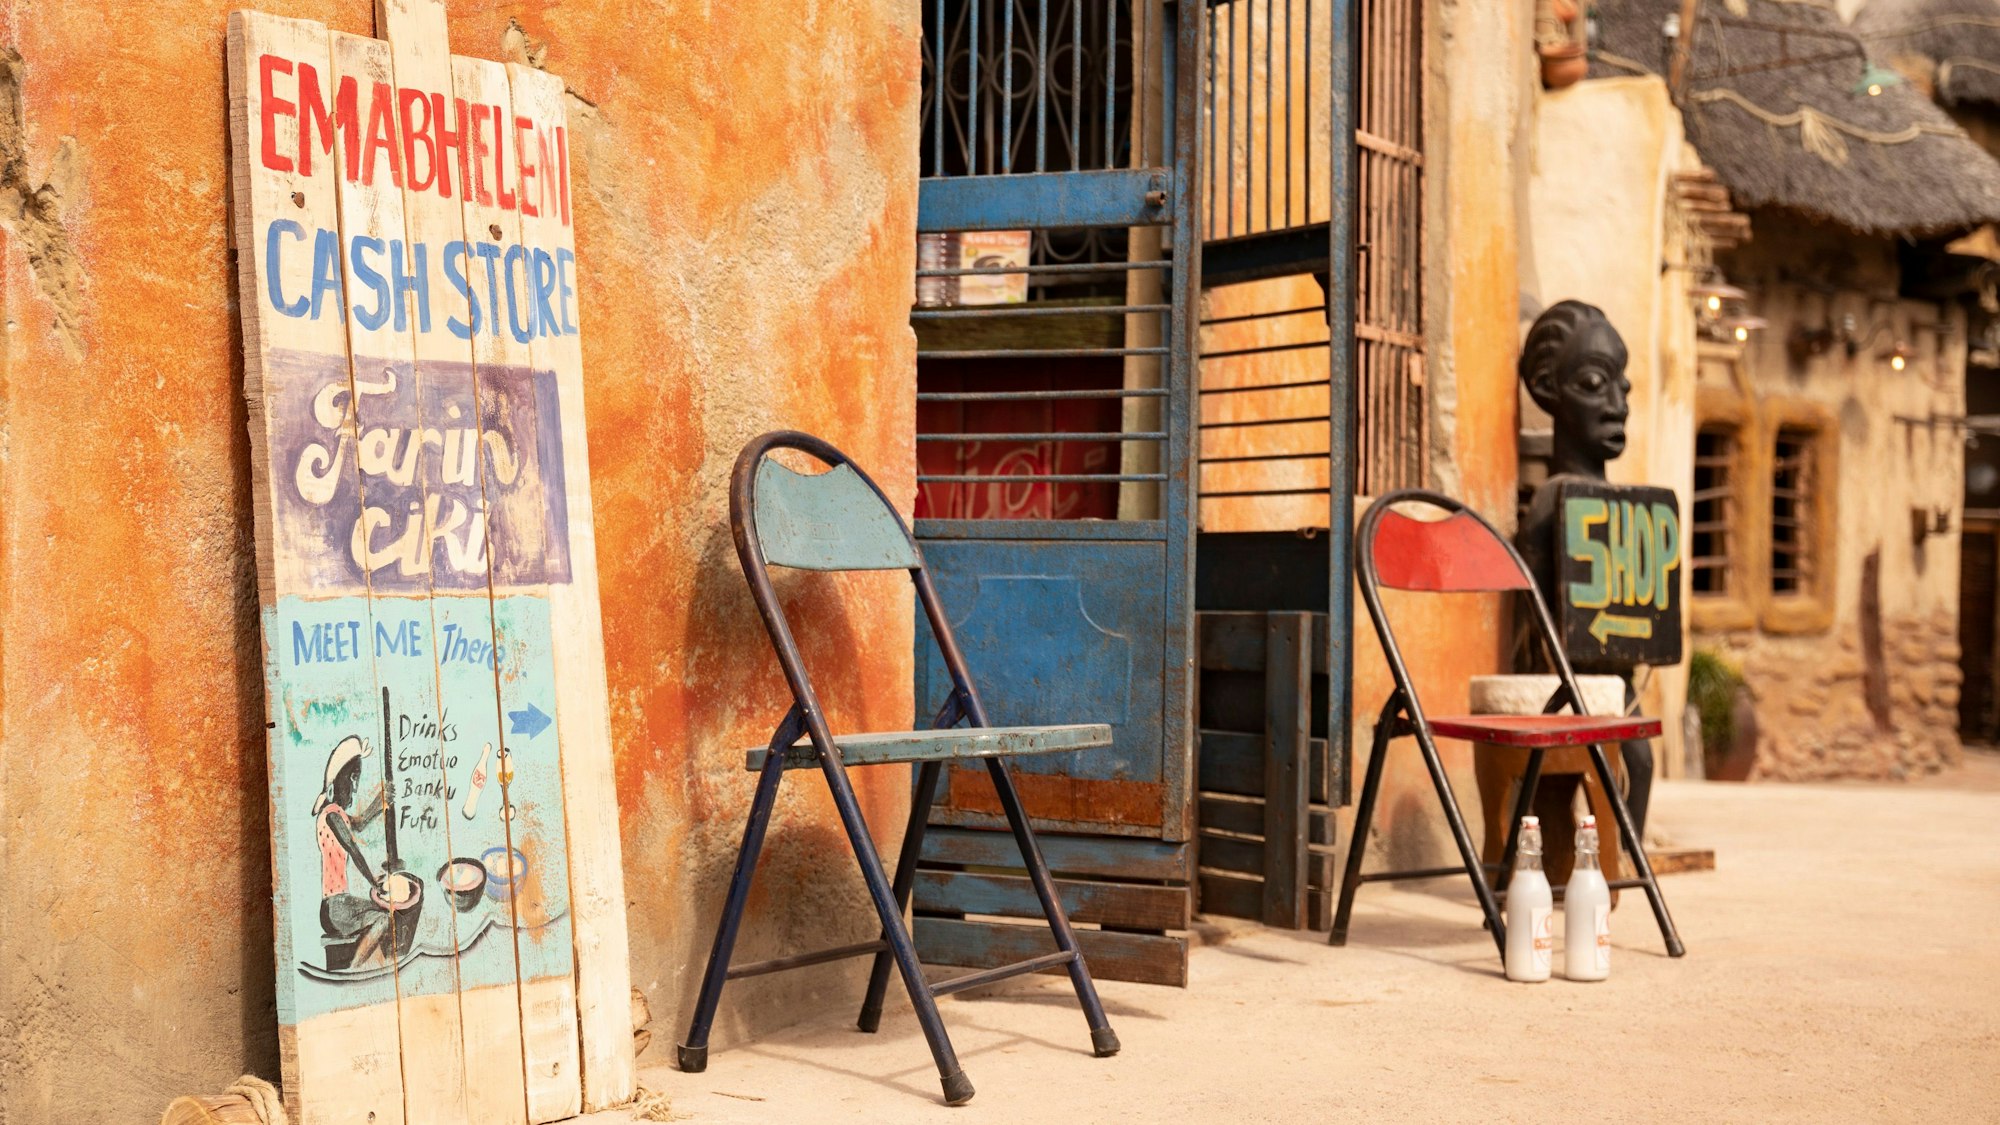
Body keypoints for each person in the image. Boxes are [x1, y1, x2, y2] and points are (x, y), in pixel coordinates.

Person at [1513, 300, 1655, 834]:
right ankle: (1595, 865)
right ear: (1549, 389)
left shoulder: (1621, 506)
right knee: (1615, 763)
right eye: (1595, 383)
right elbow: (1535, 613)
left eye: (1623, 386)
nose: (1618, 404)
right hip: (1563, 681)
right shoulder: (1555, 500)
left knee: (1638, 761)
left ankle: (1614, 869)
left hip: (1610, 681)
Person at [313, 735, 394, 970]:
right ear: (342, 780)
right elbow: (353, 849)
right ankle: (355, 969)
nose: (355, 787)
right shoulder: (331, 816)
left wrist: (381, 802)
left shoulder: (337, 813)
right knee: (382, 919)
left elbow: (359, 823)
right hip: (334, 907)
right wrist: (373, 881)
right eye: (353, 779)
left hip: (342, 902)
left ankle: (372, 964)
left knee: (382, 911)